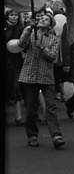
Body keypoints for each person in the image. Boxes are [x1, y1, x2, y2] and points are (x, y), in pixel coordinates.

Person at [17, 12, 66, 149]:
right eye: (41, 18)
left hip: (47, 77)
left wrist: (42, 47)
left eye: (46, 19)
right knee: (32, 109)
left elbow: (53, 57)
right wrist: (28, 30)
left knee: (51, 108)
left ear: (50, 25)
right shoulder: (30, 33)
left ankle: (56, 135)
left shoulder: (53, 39)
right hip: (29, 76)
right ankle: (32, 135)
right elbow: (21, 44)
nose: (42, 20)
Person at [5, 9, 25, 126]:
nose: (14, 17)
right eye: (12, 15)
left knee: (16, 87)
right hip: (6, 61)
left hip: (17, 62)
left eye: (16, 15)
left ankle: (18, 117)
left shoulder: (21, 29)